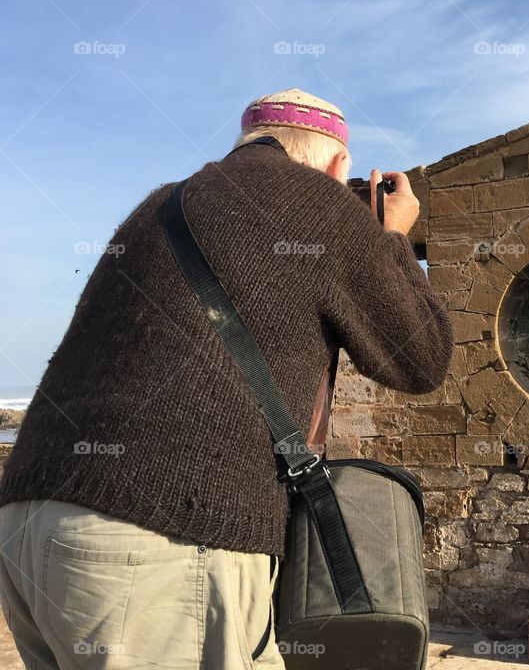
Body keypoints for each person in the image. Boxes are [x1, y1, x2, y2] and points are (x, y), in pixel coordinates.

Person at [0, 89, 454, 668]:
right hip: (160, 530)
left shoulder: (160, 205)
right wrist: (391, 239)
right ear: (340, 165)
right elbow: (421, 357)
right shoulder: (321, 205)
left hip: (30, 517)